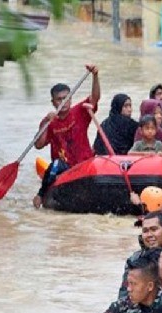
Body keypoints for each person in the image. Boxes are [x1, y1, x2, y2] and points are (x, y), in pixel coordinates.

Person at [32, 64, 100, 208]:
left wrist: (95, 76)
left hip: (84, 164)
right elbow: (38, 145)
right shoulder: (50, 121)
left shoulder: (80, 111)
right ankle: (40, 194)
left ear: (70, 99)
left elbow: (95, 98)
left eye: (66, 98)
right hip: (64, 168)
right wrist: (45, 121)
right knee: (56, 164)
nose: (63, 102)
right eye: (59, 99)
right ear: (53, 102)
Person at [118, 212, 162, 300]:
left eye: (154, 229)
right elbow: (124, 294)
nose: (149, 235)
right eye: (145, 231)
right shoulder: (135, 259)